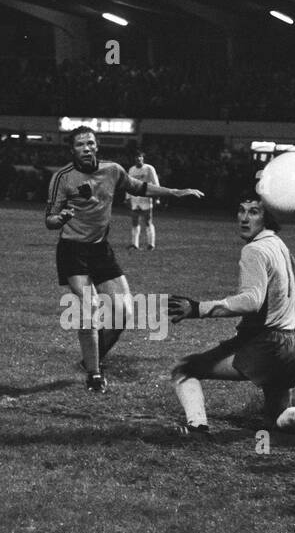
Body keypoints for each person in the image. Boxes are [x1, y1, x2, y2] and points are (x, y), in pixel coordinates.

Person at [45, 126, 203, 392]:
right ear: (72, 149)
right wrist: (59, 219)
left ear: (97, 146)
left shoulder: (113, 170)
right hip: (72, 250)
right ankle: (94, 374)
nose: (86, 148)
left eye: (90, 143)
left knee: (124, 314)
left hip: (100, 249)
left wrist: (176, 192)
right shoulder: (62, 178)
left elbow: (141, 188)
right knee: (90, 306)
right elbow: (49, 219)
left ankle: (90, 359)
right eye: (80, 144)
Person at [167, 197, 295, 444]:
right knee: (277, 419)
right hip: (287, 345)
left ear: (266, 218)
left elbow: (251, 300)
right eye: (241, 210)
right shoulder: (279, 245)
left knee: (184, 369)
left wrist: (198, 308)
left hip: (262, 344)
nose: (244, 218)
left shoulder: (254, 249)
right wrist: (290, 332)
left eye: (253, 212)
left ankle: (197, 428)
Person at [127, 149, 160, 251]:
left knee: (148, 221)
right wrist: (127, 198)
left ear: (143, 158)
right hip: (134, 199)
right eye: (136, 157)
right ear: (134, 159)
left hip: (145, 198)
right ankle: (134, 244)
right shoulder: (131, 170)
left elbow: (155, 183)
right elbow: (128, 184)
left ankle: (151, 244)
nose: (138, 159)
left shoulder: (149, 168)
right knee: (134, 221)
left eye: (140, 157)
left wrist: (157, 197)